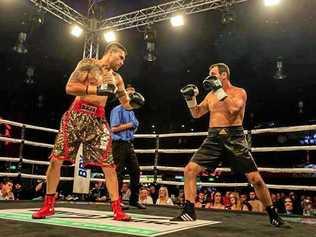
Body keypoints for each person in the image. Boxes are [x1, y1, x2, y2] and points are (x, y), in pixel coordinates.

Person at [32, 42, 145, 221]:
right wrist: (97, 89)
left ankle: (117, 210)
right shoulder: (88, 64)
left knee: (109, 165)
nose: (123, 62)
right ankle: (48, 206)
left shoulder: (117, 79)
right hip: (76, 114)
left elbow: (124, 102)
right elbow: (70, 87)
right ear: (111, 53)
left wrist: (134, 104)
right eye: (121, 57)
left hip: (98, 121)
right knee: (56, 160)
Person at [171, 63, 284, 227]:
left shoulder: (239, 92)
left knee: (255, 179)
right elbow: (196, 113)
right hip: (214, 137)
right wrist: (190, 98)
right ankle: (189, 211)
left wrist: (218, 90)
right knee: (189, 170)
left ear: (223, 75)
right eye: (209, 73)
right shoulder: (210, 95)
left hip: (234, 136)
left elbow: (233, 109)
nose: (209, 76)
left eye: (213, 73)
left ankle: (273, 214)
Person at [110, 85, 146, 209]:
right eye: (129, 93)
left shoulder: (131, 112)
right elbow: (113, 129)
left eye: (133, 93)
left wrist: (133, 126)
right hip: (118, 144)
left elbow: (133, 128)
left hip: (129, 143)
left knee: (136, 171)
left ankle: (133, 200)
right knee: (118, 172)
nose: (132, 96)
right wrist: (130, 124)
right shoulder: (117, 109)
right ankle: (116, 200)